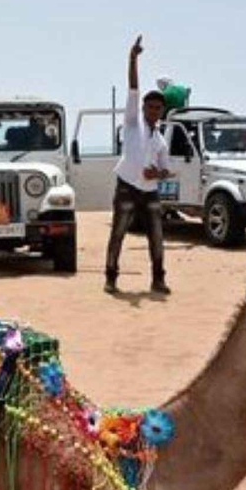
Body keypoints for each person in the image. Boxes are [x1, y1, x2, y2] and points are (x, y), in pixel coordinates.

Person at [104, 35, 173, 295]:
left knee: (157, 236)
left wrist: (158, 173)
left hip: (150, 189)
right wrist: (132, 58)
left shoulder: (160, 140)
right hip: (127, 186)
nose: (154, 111)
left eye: (158, 108)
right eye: (151, 106)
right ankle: (111, 277)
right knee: (118, 233)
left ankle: (158, 278)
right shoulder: (133, 123)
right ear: (143, 107)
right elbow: (133, 87)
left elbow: (167, 169)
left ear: (162, 111)